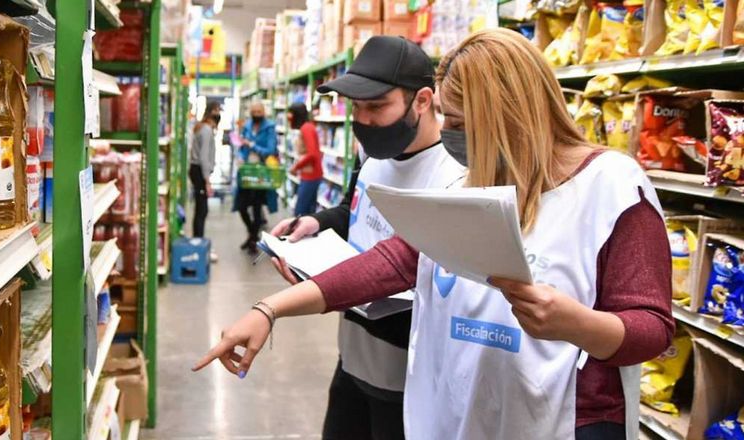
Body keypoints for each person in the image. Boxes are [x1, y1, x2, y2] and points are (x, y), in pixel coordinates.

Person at [194, 29, 674, 440]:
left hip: (568, 421)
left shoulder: (610, 186)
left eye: (459, 123)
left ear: (508, 115)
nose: (445, 133)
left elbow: (652, 329)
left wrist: (574, 324)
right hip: (473, 413)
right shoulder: (470, 185)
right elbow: (394, 262)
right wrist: (269, 309)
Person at [276, 36, 465, 440]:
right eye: (356, 109)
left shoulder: (454, 175)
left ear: (422, 100)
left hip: (405, 376)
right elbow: (355, 207)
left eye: (377, 107)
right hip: (352, 355)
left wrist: (329, 291)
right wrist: (318, 222)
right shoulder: (373, 155)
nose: (364, 121)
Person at [238, 102, 277, 254]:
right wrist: (241, 156)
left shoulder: (269, 128)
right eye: (253, 111)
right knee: (241, 206)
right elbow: (242, 147)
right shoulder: (247, 126)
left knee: (256, 207)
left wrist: (252, 145)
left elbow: (270, 150)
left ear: (264, 112)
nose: (256, 113)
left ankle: (253, 239)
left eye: (259, 111)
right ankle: (252, 234)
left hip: (262, 174)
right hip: (247, 172)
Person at [189, 101, 220, 241]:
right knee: (202, 210)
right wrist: (207, 180)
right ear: (213, 112)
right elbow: (203, 157)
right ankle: (198, 241)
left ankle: (198, 239)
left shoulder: (202, 127)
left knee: (201, 208)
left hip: (197, 170)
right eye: (218, 111)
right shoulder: (207, 130)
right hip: (199, 171)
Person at [288, 103, 323, 216]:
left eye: (291, 114)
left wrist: (296, 167)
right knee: (309, 211)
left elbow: (312, 154)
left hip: (311, 175)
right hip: (312, 174)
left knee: (300, 212)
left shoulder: (306, 128)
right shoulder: (308, 127)